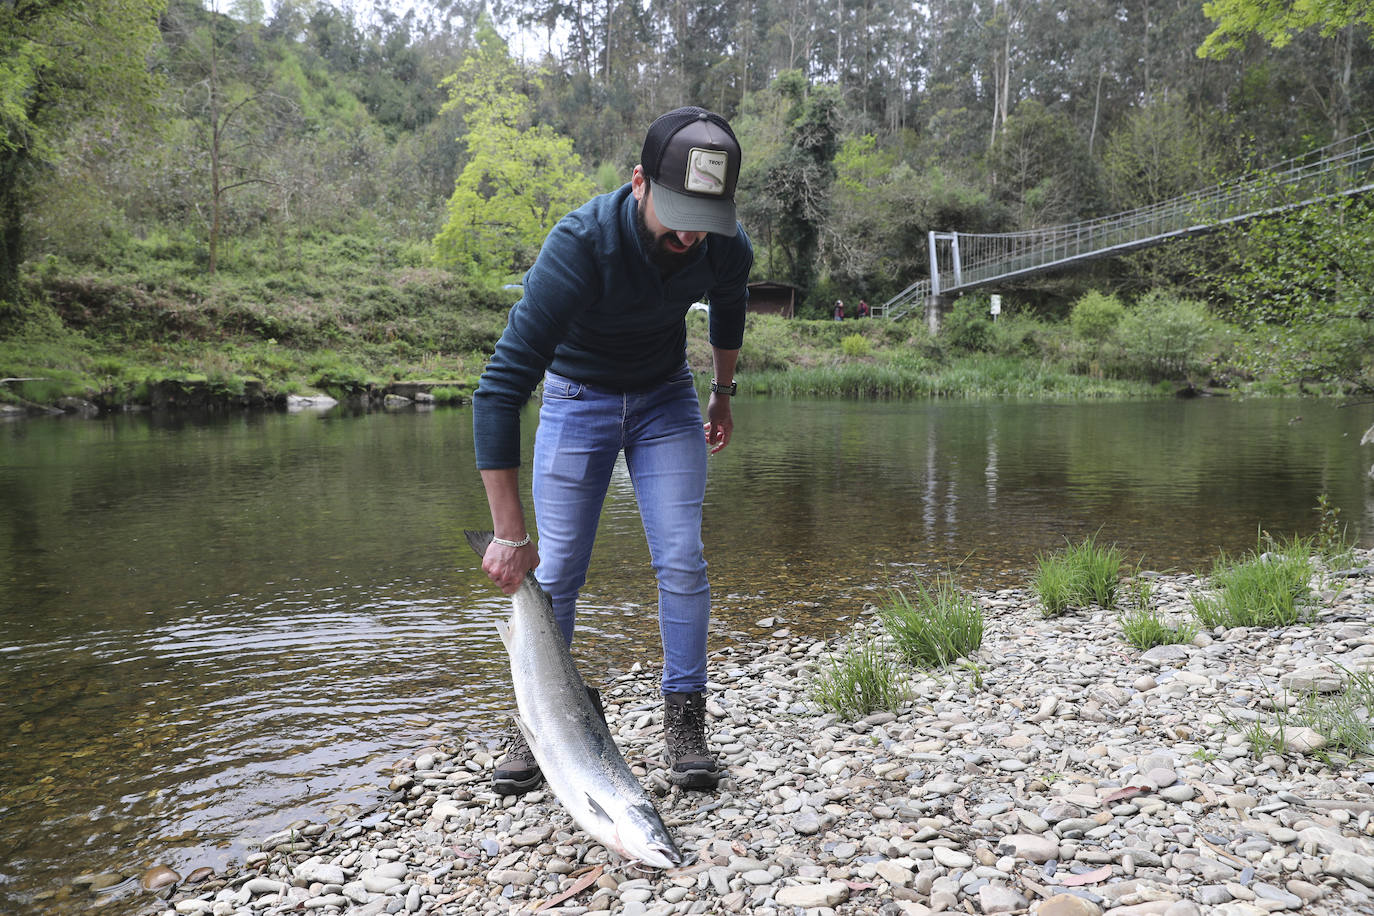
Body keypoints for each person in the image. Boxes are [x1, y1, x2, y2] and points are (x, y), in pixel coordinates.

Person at [471, 107, 753, 796]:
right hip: (576, 398)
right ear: (638, 183)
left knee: (682, 558)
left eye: (704, 218)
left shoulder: (722, 243)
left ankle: (685, 721)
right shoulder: (580, 245)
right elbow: (499, 389)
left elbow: (729, 305)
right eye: (679, 211)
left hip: (664, 398)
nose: (690, 233)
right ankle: (537, 721)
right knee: (558, 570)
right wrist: (509, 533)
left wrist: (722, 391)